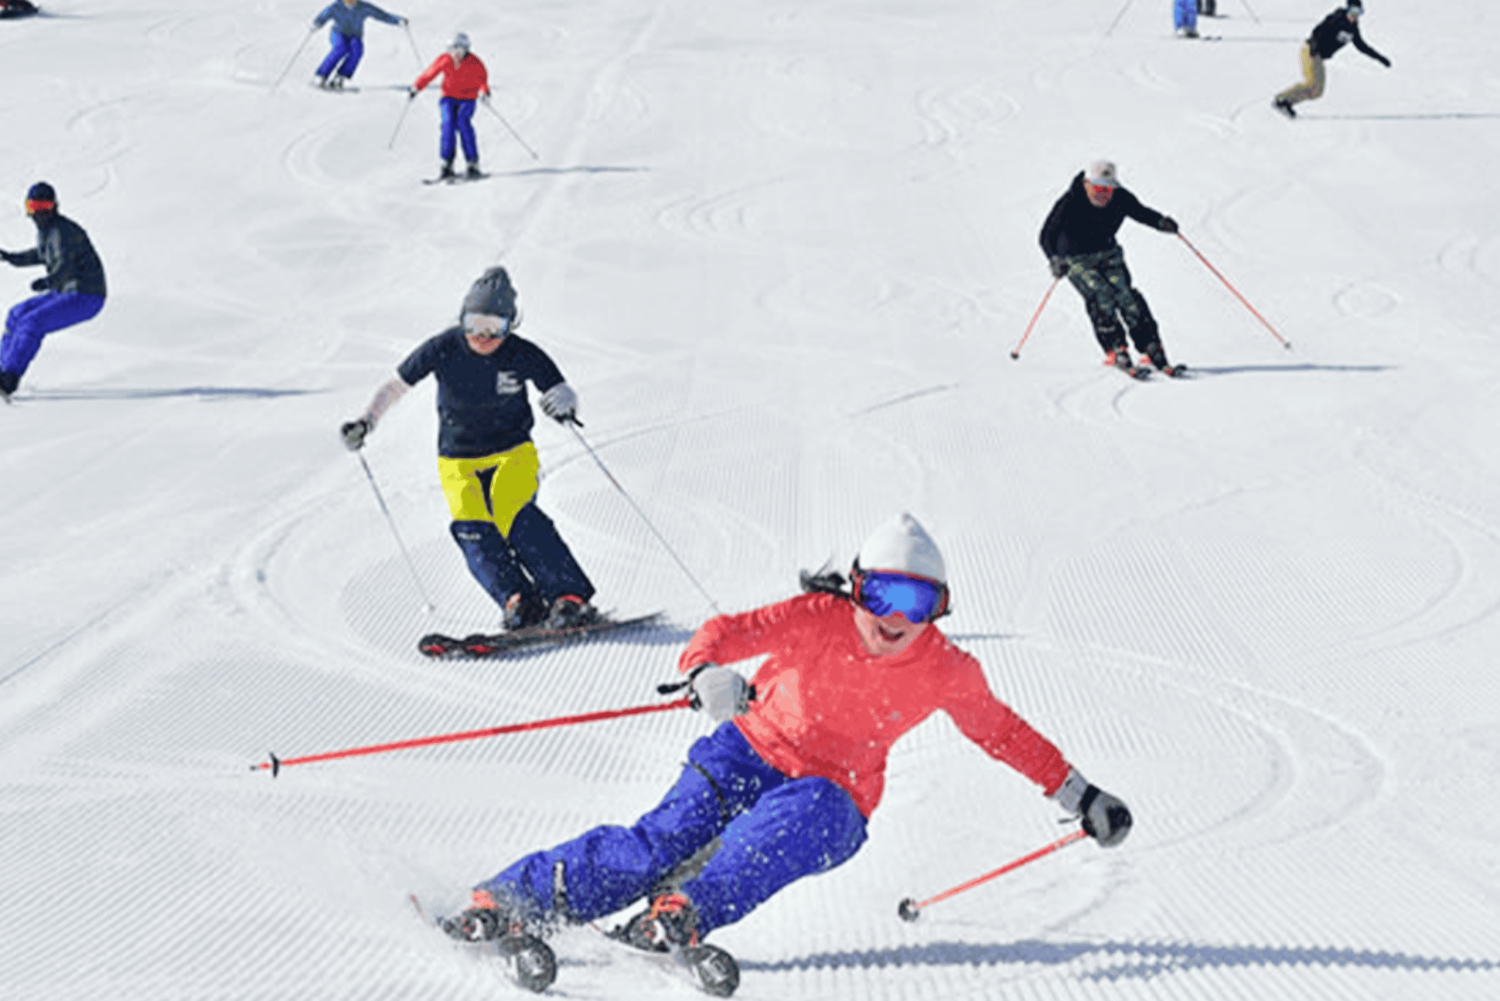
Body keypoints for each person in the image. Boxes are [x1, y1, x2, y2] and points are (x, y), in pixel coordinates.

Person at [440, 513, 1133, 956]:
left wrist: (1081, 793)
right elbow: (722, 633)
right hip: (746, 745)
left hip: (835, 789)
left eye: (918, 603)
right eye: (883, 595)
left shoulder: (946, 668)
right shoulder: (816, 616)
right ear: (856, 588)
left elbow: (1003, 732)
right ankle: (514, 896)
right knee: (660, 840)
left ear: (939, 610)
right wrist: (704, 670)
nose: (896, 618)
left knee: (779, 832)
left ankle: (685, 911)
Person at [340, 267, 599, 631]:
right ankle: (517, 599)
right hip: (458, 459)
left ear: (510, 325)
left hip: (512, 452)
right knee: (472, 527)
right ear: (462, 318)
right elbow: (395, 387)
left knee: (515, 513)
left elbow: (560, 390)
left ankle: (567, 597)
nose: (482, 335)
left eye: (493, 326)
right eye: (474, 322)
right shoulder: (444, 347)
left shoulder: (522, 354)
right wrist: (367, 420)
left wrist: (564, 404)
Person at [1039, 160, 1183, 377]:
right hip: (1075, 257)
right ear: (1086, 184)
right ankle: (1115, 348)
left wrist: (1161, 222)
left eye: (1107, 189)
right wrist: (1054, 260)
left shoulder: (1120, 197)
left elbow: (1140, 212)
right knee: (1102, 295)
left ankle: (1150, 346)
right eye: (1097, 188)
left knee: (1127, 295)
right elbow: (1046, 235)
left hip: (1107, 252)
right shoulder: (1070, 202)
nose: (1103, 194)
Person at [0, 183, 107, 402]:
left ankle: (8, 378)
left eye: (44, 205)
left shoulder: (62, 231)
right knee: (16, 314)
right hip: (65, 290)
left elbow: (65, 266)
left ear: (54, 206)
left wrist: (48, 281)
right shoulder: (47, 231)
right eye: (34, 206)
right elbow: (40, 255)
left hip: (87, 294)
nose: (39, 212)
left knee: (32, 322)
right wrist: (12, 257)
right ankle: (3, 368)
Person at [1273, 1, 1391, 119]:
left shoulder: (1353, 28)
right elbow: (1318, 30)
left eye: (1359, 13)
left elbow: (1361, 46)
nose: (1354, 16)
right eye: (1353, 11)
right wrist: (1314, 46)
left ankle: (1287, 102)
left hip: (1319, 57)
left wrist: (1380, 58)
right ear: (1347, 10)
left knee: (1317, 92)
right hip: (1311, 51)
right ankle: (1282, 99)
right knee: (1311, 84)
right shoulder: (1337, 18)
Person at [408, 32, 490, 181]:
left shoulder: (474, 62)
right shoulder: (445, 60)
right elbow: (430, 73)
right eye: (453, 50)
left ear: (466, 49)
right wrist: (417, 87)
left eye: (459, 50)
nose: (456, 54)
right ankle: (447, 163)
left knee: (463, 123)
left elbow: (482, 79)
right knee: (448, 124)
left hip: (468, 99)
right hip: (448, 98)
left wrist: (484, 92)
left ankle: (472, 163)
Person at [311, 0, 407, 91]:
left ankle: (341, 76)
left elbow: (381, 15)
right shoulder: (337, 6)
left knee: (357, 50)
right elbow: (324, 15)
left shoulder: (363, 7)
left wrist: (398, 20)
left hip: (354, 35)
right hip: (338, 33)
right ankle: (321, 75)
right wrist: (317, 22)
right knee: (340, 48)